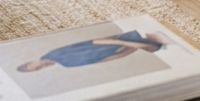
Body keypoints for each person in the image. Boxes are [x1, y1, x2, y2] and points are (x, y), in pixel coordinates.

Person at [17, 30, 169, 71]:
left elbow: (91, 42)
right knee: (156, 47)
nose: (36, 67)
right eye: (33, 70)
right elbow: (101, 60)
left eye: (31, 65)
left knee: (153, 40)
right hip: (118, 50)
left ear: (31, 61)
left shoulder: (56, 53)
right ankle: (154, 43)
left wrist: (125, 42)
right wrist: (125, 52)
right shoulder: (67, 65)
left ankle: (153, 39)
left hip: (114, 42)